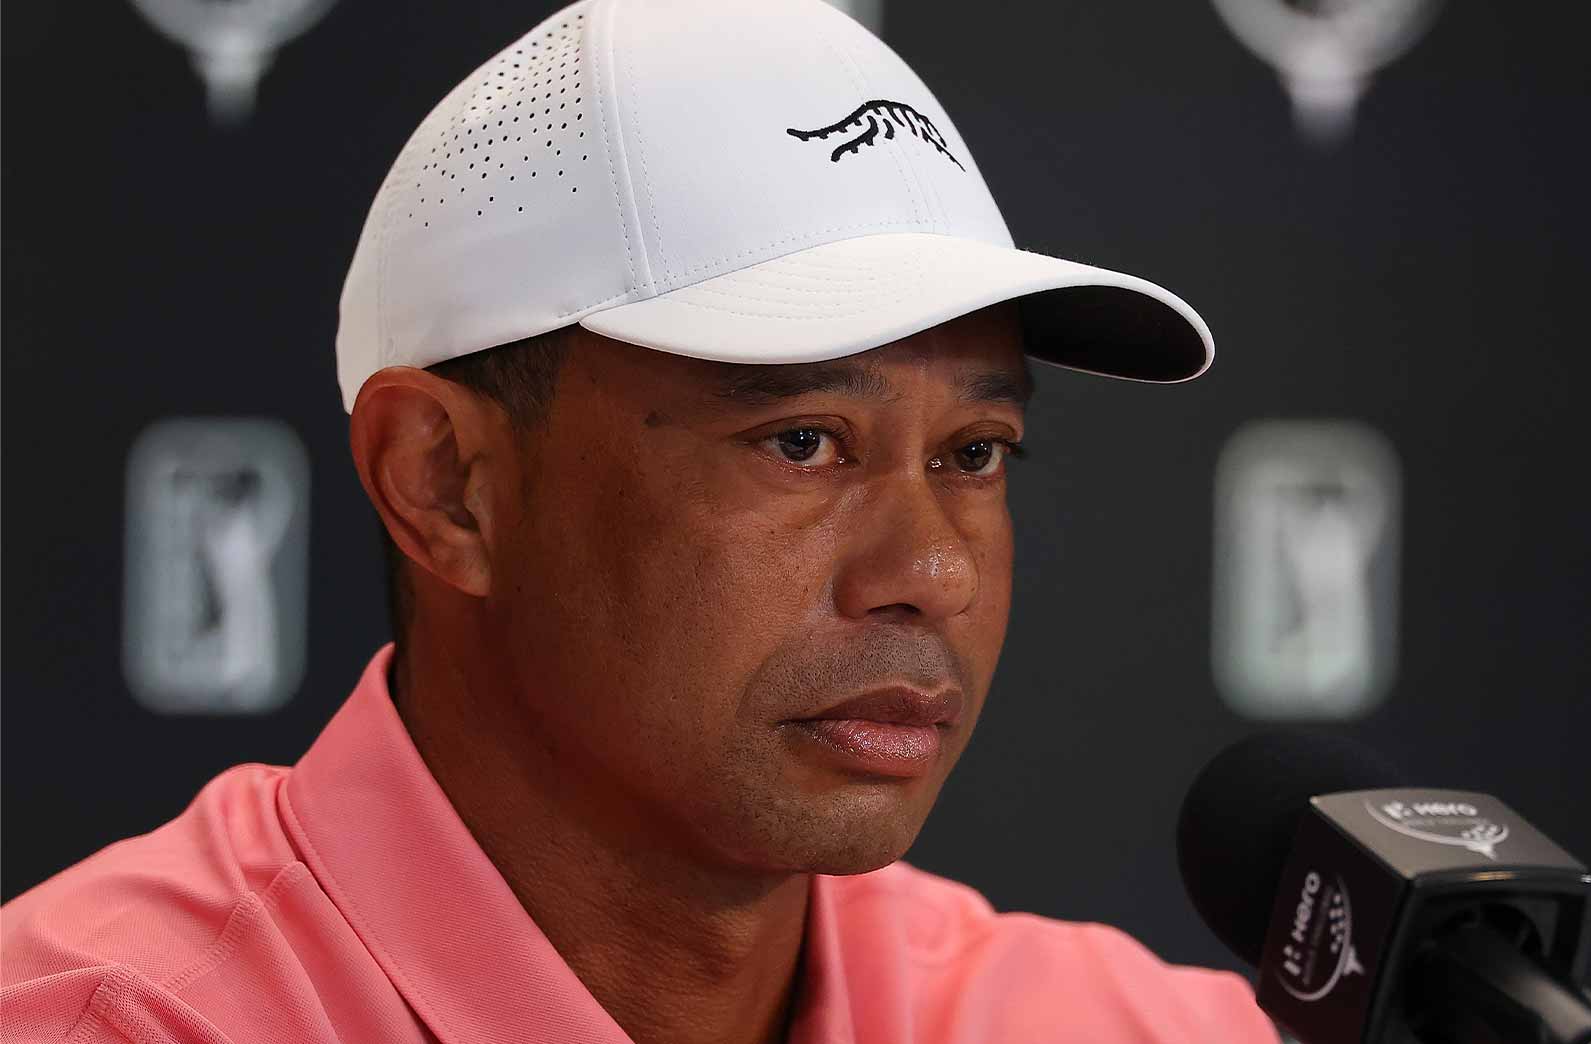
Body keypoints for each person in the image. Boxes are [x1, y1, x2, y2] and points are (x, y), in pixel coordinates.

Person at [1, 1, 1277, 1041]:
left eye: (974, 453)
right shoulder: (119, 1023)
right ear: (445, 485)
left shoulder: (1111, 1026)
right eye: (802, 442)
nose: (931, 572)